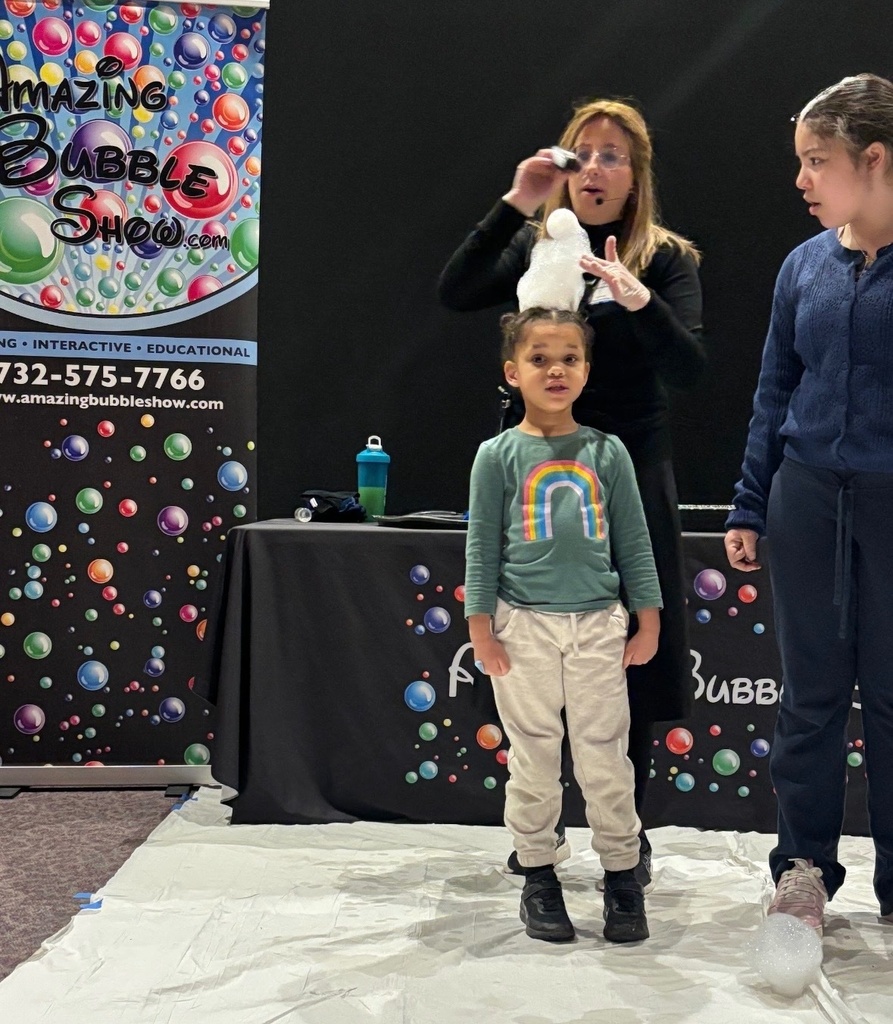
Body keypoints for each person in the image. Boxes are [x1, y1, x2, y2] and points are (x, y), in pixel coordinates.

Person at [439, 99, 705, 884]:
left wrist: (635, 299)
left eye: (613, 156)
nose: (594, 168)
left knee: (631, 660)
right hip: (535, 480)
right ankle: (538, 837)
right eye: (581, 153)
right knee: (530, 666)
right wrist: (517, 201)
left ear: (636, 175)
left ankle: (626, 834)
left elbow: (690, 370)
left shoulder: (664, 259)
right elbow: (454, 293)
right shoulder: (535, 246)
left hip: (624, 478)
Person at [724, 73, 893, 935]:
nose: (800, 180)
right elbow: (772, 390)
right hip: (805, 502)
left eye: (815, 160)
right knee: (810, 698)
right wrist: (749, 504)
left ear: (873, 159)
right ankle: (800, 869)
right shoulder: (803, 266)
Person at [465, 305, 661, 943]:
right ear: (512, 371)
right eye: (540, 358)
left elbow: (634, 541)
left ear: (586, 368)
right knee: (534, 758)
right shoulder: (497, 456)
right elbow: (482, 548)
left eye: (569, 357)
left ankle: (623, 874)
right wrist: (482, 628)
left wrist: (647, 617)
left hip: (600, 625)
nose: (556, 369)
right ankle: (539, 875)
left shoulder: (608, 453)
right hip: (522, 627)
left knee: (606, 755)